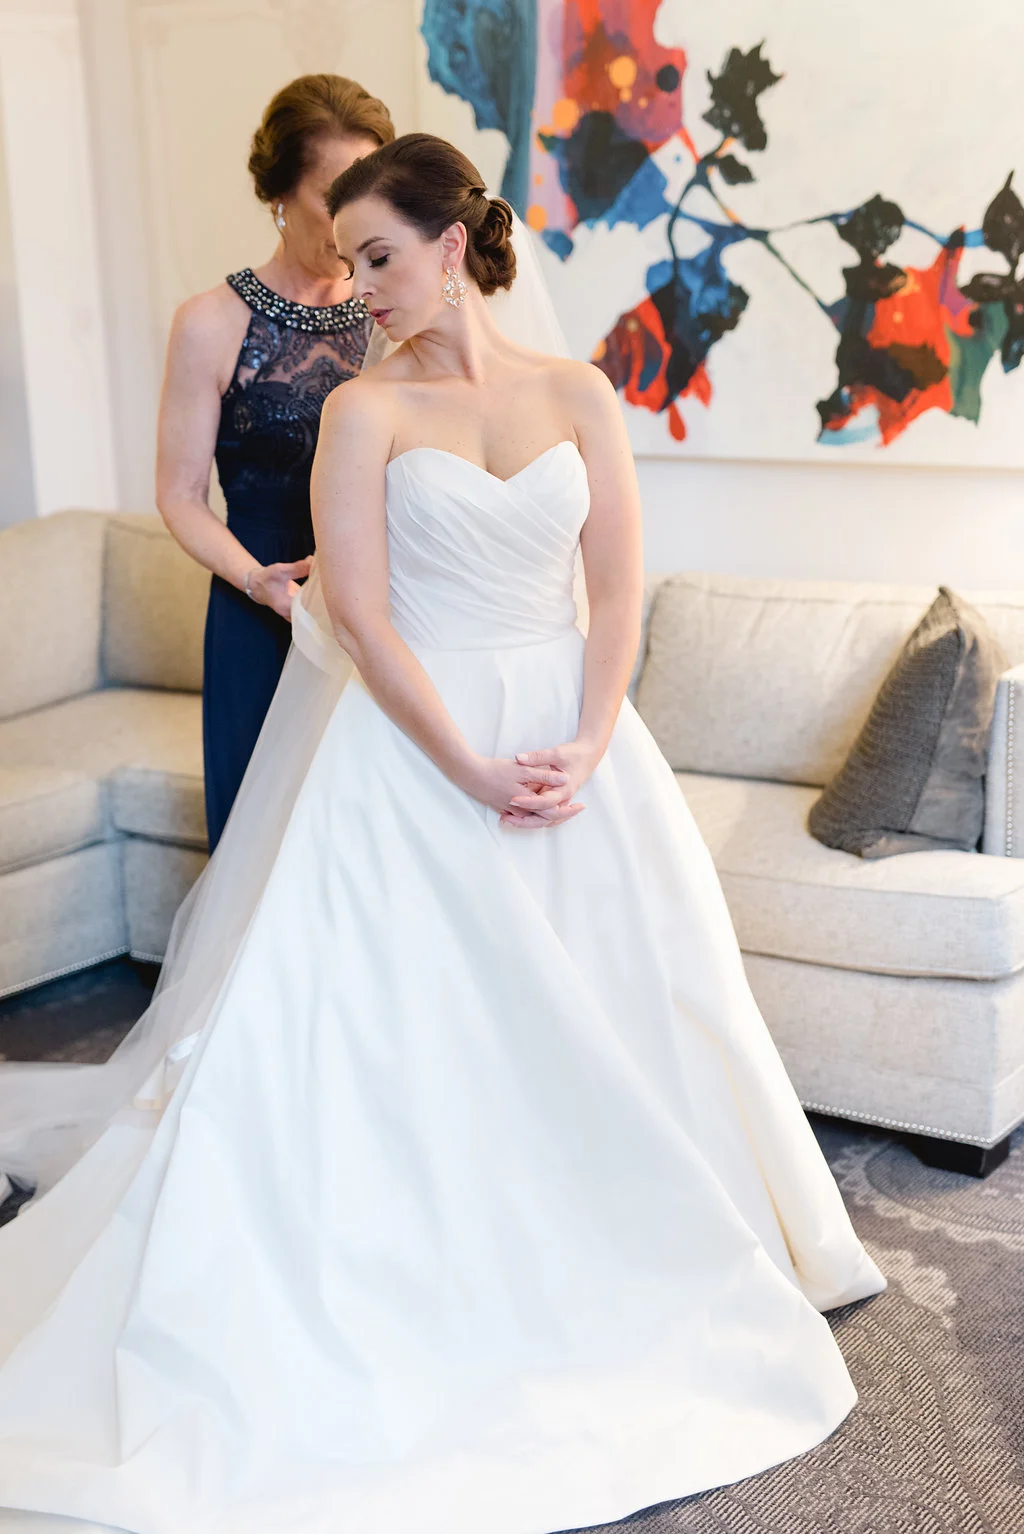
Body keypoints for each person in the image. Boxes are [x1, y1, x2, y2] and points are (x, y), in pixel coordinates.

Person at [0, 134, 884, 1533]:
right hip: (416, 749)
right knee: (400, 1038)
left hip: (572, 743)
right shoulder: (361, 410)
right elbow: (359, 612)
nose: (357, 288)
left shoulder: (577, 392)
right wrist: (467, 764)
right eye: (346, 262)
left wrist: (589, 736)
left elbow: (617, 590)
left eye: (378, 258)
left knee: (627, 1000)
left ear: (453, 244)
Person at [156, 73, 394, 851]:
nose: (354, 218)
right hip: (260, 607)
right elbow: (181, 493)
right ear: (280, 195)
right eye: (335, 195)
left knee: (369, 843)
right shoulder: (209, 324)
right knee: (262, 845)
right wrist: (257, 579)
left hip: (380, 608)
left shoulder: (395, 318)